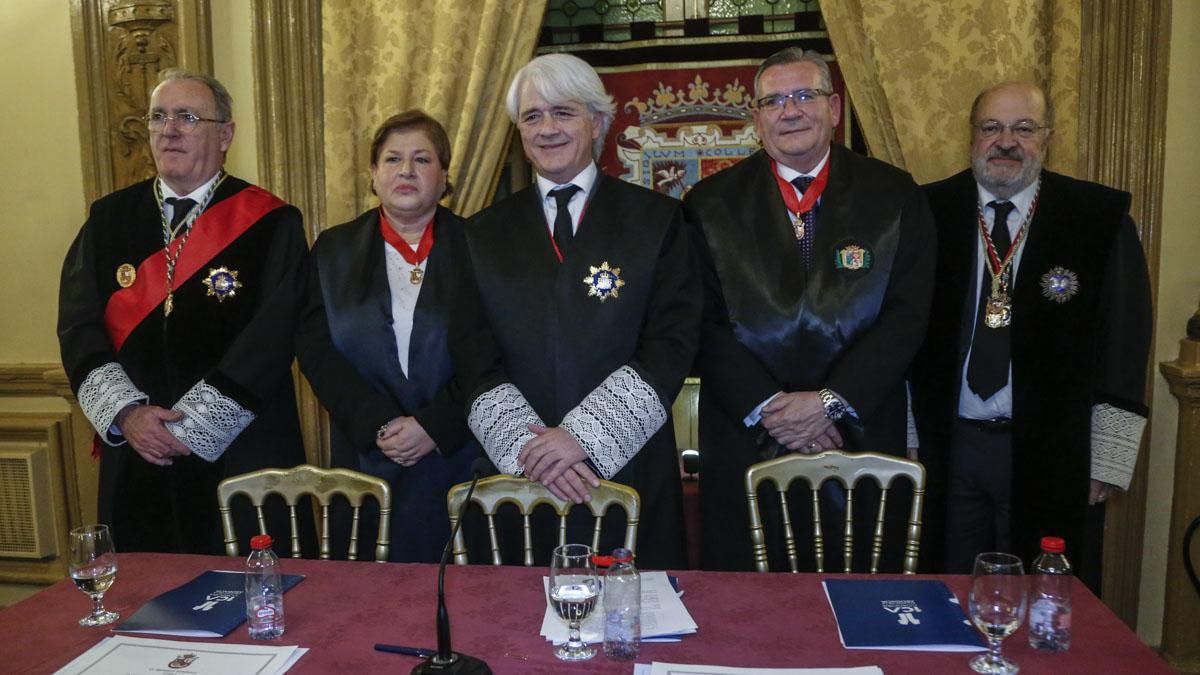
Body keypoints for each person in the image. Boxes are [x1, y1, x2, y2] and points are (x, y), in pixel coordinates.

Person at [683, 47, 936, 572]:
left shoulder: (895, 195)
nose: (789, 111)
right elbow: (699, 321)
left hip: (858, 435)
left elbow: (908, 317)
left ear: (835, 107)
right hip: (749, 433)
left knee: (860, 598)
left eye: (804, 95)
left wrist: (829, 403)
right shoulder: (708, 204)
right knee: (749, 612)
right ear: (756, 117)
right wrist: (776, 409)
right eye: (772, 100)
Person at [451, 53, 700, 570]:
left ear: (598, 122)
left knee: (634, 631)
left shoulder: (658, 219)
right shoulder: (481, 232)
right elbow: (472, 351)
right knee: (517, 636)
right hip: (523, 477)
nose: (547, 129)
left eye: (563, 113)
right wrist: (534, 450)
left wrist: (581, 439)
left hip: (627, 465)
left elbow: (672, 342)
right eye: (532, 116)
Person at [910, 81, 1151, 589]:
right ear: (971, 137)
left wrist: (1108, 456)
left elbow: (1126, 344)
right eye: (991, 128)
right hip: (947, 446)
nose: (1006, 142)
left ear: (1048, 138)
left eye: (1024, 129)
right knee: (945, 590)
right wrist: (907, 434)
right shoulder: (927, 212)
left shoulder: (1097, 219)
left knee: (1045, 602)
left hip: (1054, 449)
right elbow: (903, 335)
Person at [57, 69, 309, 554]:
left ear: (226, 134)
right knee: (137, 599)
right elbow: (78, 326)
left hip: (241, 451)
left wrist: (194, 426)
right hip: (137, 450)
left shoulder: (272, 222)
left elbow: (272, 336)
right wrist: (128, 415)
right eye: (158, 117)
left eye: (187, 117)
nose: (169, 130)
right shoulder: (108, 219)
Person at [296, 110, 479, 562]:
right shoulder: (332, 251)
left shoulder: (482, 245)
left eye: (422, 160)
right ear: (373, 175)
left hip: (458, 454)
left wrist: (434, 426)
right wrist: (379, 425)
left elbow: (496, 351)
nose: (406, 171)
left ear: (444, 177)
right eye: (393, 159)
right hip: (366, 456)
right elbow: (315, 349)